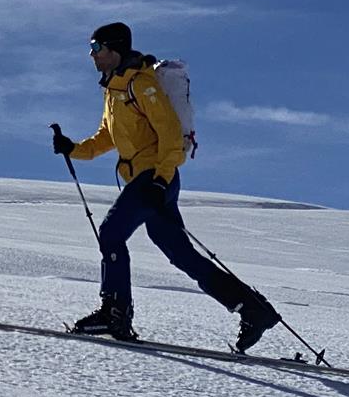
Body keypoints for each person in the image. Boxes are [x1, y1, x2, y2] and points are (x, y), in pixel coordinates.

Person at [52, 21, 281, 351]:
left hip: (153, 177)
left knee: (112, 232)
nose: (92, 55)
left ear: (114, 49)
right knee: (181, 254)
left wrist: (159, 181)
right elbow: (107, 138)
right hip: (150, 180)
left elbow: (171, 133)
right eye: (91, 49)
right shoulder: (115, 90)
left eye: (96, 48)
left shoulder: (141, 85)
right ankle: (254, 310)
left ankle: (115, 313)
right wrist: (73, 148)